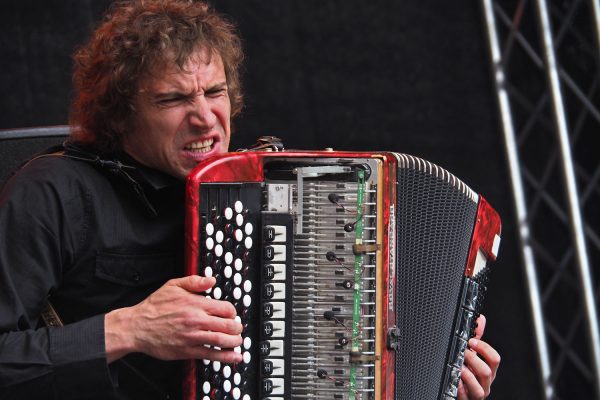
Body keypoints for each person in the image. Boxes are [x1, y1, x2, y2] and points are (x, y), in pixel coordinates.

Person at [0, 1, 499, 399]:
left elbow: (337, 362)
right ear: (120, 114)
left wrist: (441, 364)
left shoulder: (272, 191)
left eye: (214, 92)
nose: (204, 118)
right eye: (173, 100)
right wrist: (128, 329)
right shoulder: (54, 192)